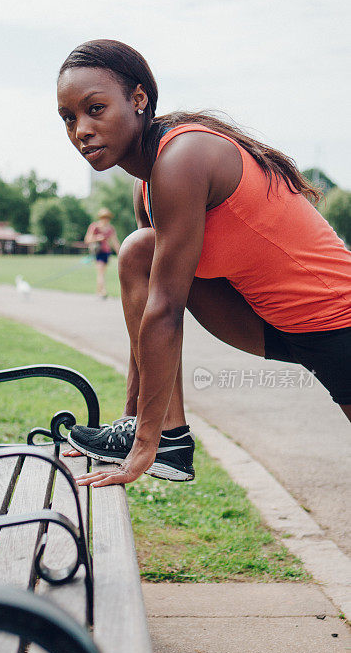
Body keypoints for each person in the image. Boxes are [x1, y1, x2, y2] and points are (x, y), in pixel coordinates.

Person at [56, 39, 351, 488]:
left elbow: (166, 311)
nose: (81, 130)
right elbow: (149, 309)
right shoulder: (148, 185)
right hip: (271, 323)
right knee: (139, 250)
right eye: (69, 118)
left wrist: (142, 451)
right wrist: (134, 423)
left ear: (138, 100)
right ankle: (171, 438)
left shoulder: (183, 158)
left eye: (95, 109)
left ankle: (159, 440)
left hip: (339, 321)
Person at [84, 207, 120, 297]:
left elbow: (115, 241)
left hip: (107, 252)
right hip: (98, 251)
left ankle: (98, 291)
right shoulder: (94, 227)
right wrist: (97, 238)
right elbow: (87, 240)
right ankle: (103, 291)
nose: (105, 219)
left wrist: (120, 253)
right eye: (104, 217)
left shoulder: (110, 228)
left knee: (102, 272)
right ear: (100, 217)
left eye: (107, 217)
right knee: (100, 271)